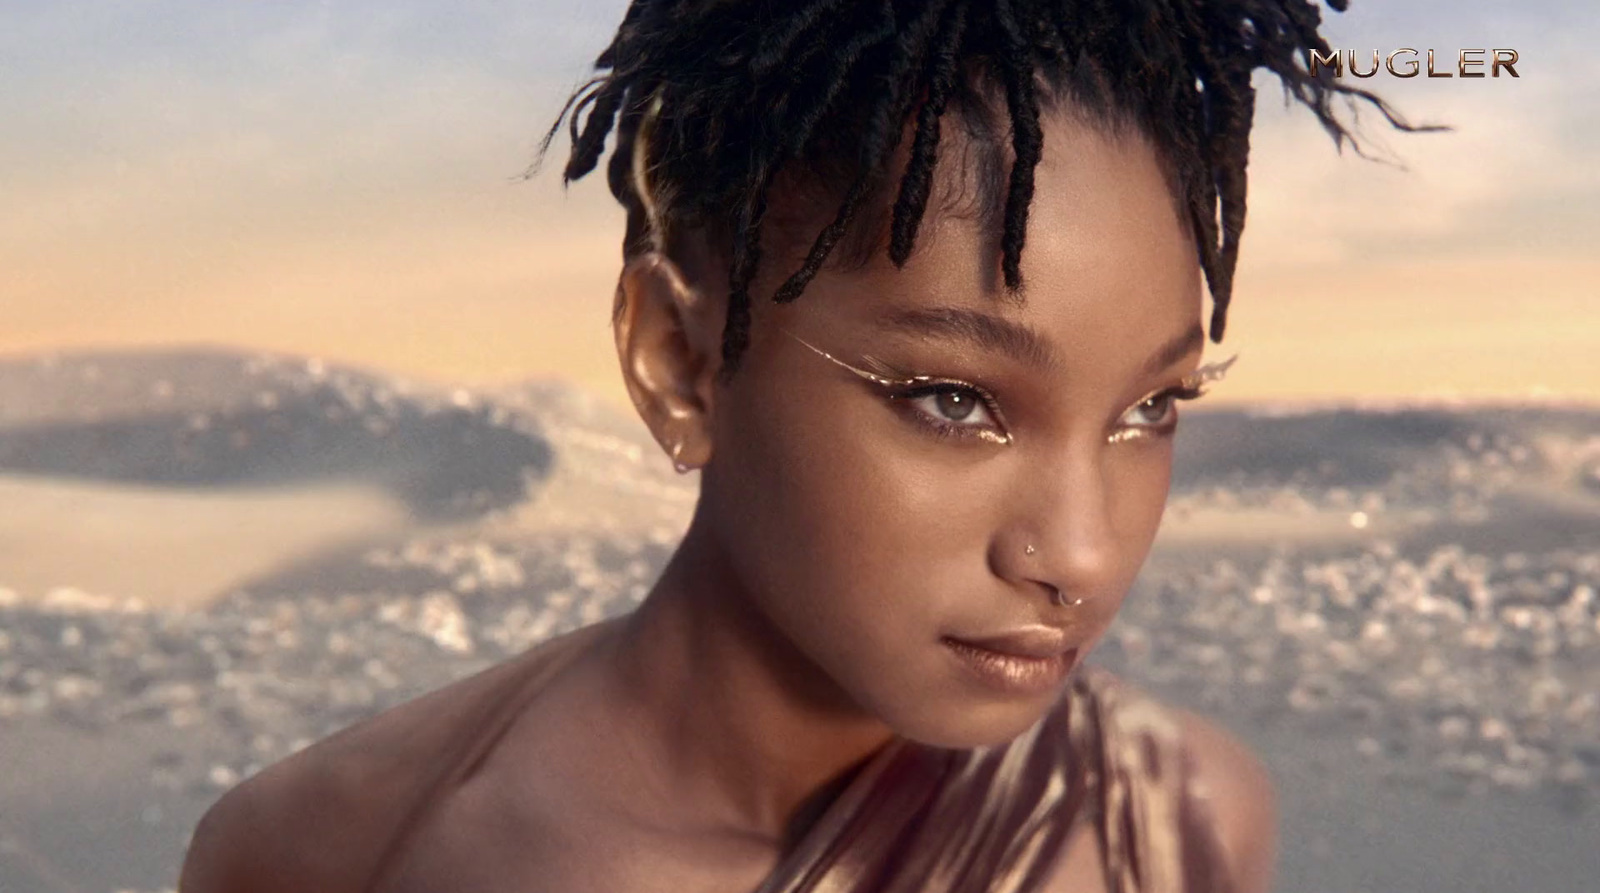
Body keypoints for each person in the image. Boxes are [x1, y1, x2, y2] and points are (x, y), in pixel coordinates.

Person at [180, 1, 1424, 891]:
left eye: (1150, 409)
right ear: (675, 355)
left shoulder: (1171, 819)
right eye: (951, 398)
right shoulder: (321, 850)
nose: (1082, 555)